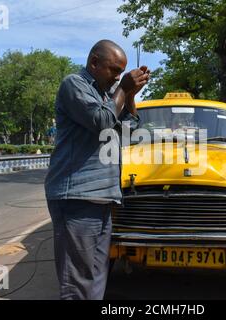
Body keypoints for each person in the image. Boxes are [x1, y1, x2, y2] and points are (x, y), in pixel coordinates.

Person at [44, 40, 150, 300]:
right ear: (93, 63)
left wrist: (131, 96)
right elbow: (101, 121)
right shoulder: (74, 85)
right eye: (114, 70)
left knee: (96, 278)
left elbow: (128, 132)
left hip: (102, 198)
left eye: (120, 72)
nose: (117, 77)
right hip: (77, 197)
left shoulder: (106, 95)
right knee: (78, 282)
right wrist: (123, 89)